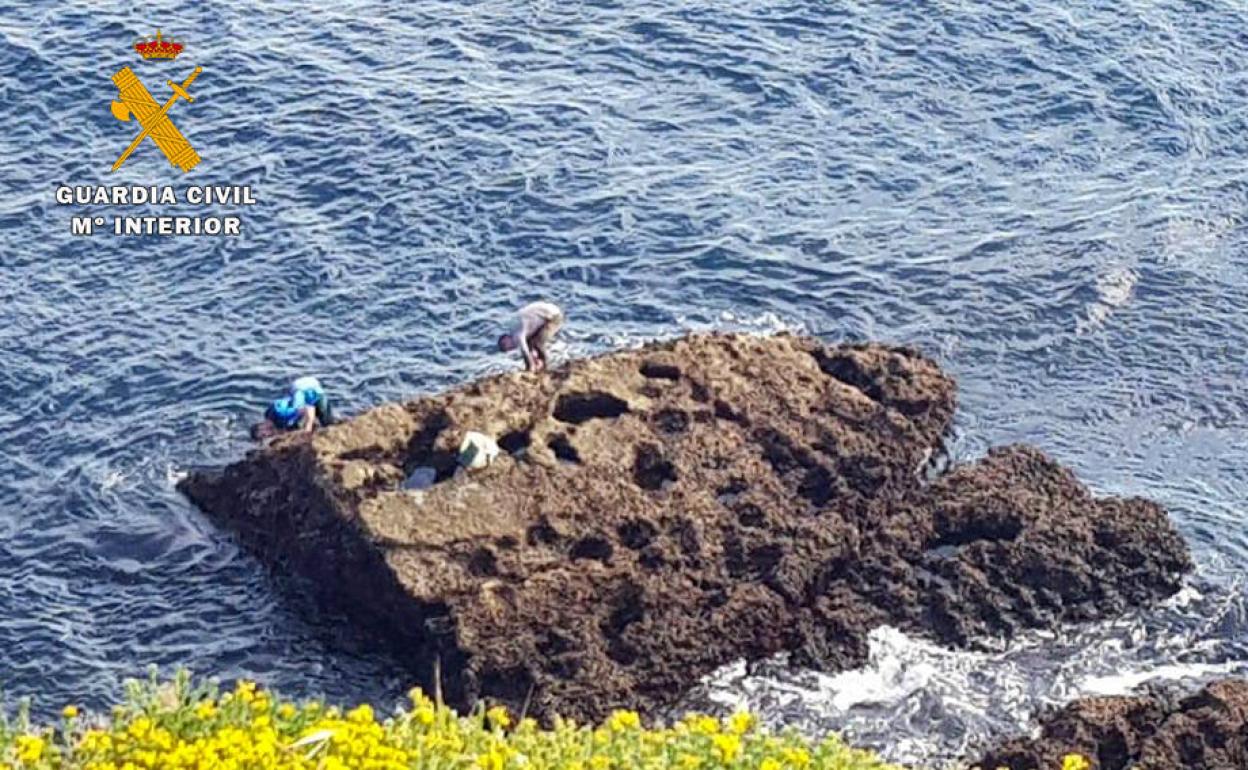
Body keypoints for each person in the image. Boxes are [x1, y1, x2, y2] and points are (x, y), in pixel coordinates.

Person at [250, 376, 333, 440]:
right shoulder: (268, 414)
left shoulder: (282, 414)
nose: (268, 435)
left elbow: (309, 408)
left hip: (310, 388)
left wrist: (308, 430)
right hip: (297, 387)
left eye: (264, 434)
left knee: (327, 425)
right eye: (265, 437)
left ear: (261, 426)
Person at [498, 301, 564, 372]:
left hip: (554, 317)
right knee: (531, 342)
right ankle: (539, 363)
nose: (509, 348)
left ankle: (546, 367)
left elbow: (525, 352)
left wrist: (529, 367)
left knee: (538, 343)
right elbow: (527, 347)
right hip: (543, 315)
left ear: (506, 337)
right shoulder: (516, 330)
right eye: (507, 349)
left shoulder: (517, 334)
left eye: (505, 345)